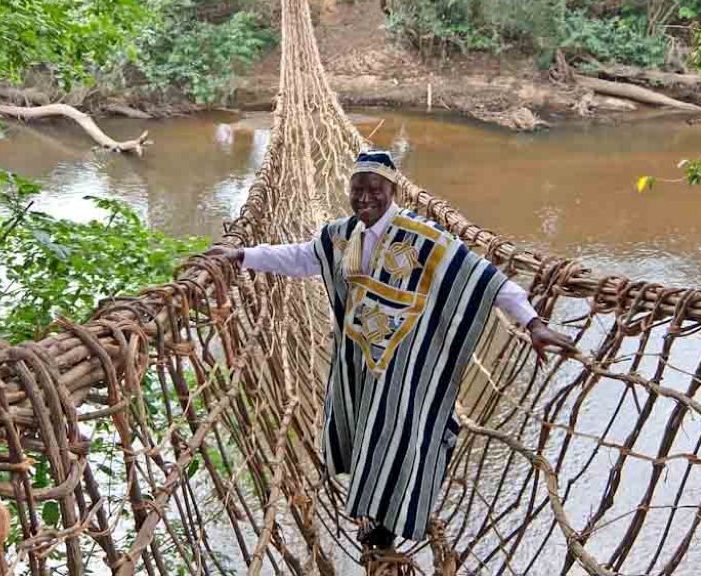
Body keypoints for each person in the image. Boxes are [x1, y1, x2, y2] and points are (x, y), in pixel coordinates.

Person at [207, 149, 575, 550]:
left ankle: (387, 525)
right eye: (357, 189)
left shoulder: (425, 238)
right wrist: (243, 256)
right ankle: (372, 511)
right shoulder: (341, 235)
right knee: (367, 434)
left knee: (401, 438)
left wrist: (533, 323)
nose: (365, 198)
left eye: (374, 189)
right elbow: (300, 257)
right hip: (357, 365)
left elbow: (485, 279)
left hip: (405, 368)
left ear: (393, 190)